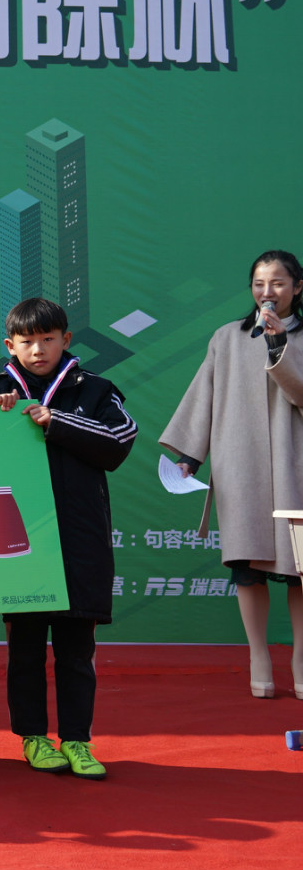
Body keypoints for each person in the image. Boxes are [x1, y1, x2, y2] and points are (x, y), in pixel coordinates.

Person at [0, 297, 136, 780]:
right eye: (27, 341)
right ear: (10, 345)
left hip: (79, 543)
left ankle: (77, 741)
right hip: (18, 544)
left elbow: (119, 443)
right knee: (24, 650)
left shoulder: (96, 390)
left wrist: (56, 421)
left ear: (66, 340)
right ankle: (32, 737)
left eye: (48, 339)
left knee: (76, 651)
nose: (38, 350)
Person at [161, 249, 303, 699]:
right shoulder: (227, 337)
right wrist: (190, 456)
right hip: (240, 464)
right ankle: (258, 655)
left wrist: (278, 345)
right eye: (259, 283)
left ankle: (301, 658)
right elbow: (203, 395)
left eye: (277, 283)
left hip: (296, 463)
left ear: (298, 288)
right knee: (247, 564)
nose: (267, 292)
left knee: (300, 567)